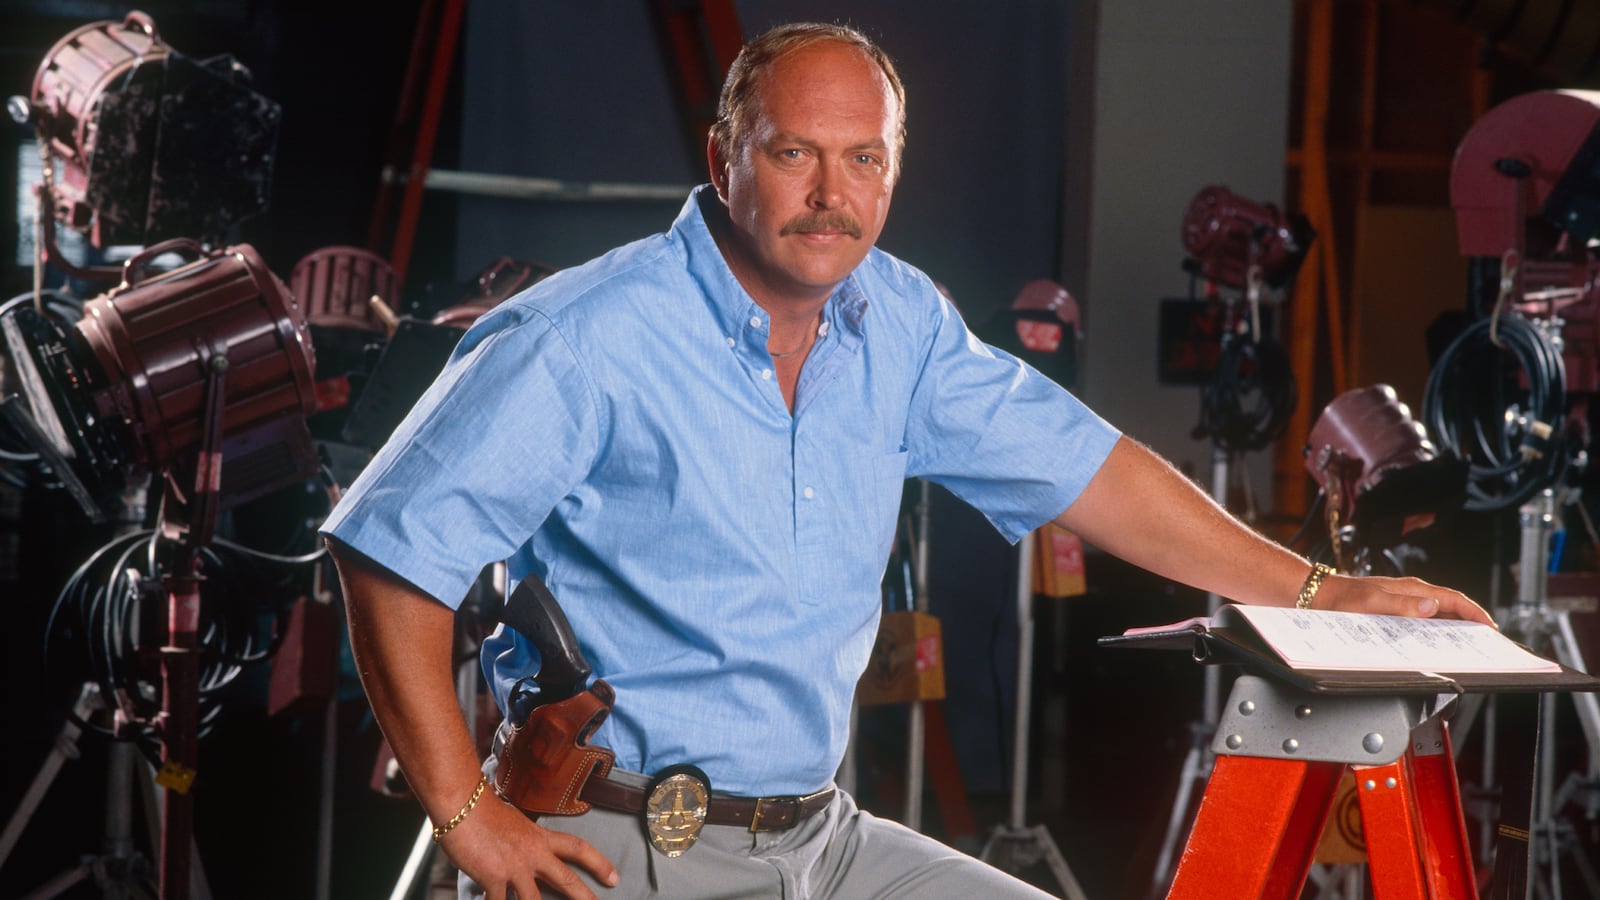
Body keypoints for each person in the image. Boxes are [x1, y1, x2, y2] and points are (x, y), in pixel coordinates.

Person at [323, 21, 1492, 900]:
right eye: (794, 154)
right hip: (629, 846)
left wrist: (1316, 589)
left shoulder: (898, 321)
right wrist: (467, 816)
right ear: (726, 152)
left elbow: (1091, 469)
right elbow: (388, 555)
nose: (832, 197)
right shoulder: (585, 338)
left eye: (864, 160)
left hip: (819, 842)